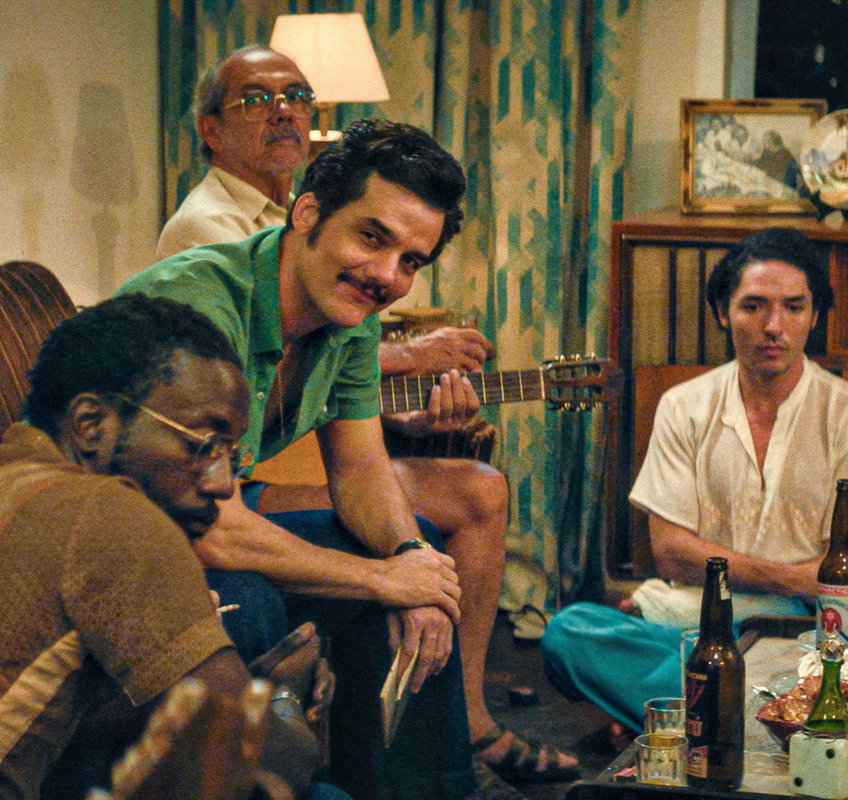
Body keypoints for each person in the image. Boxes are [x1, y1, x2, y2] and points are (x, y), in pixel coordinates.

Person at [155, 46, 573, 787]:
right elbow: (208, 524)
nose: (387, 276)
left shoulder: (348, 313)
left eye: (411, 261)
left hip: (212, 522)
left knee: (427, 572)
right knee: (261, 605)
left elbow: (360, 468)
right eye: (373, 238)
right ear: (308, 212)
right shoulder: (201, 301)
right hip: (130, 541)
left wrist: (412, 561)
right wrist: (384, 580)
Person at [540, 227, 848, 732]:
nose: (773, 326)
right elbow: (670, 552)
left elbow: (844, 575)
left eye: (794, 308)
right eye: (753, 307)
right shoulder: (684, 406)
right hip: (696, 624)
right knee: (570, 632)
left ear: (815, 316)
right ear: (722, 312)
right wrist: (793, 579)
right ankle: (751, 711)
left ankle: (687, 713)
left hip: (803, 632)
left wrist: (766, 589)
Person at [0, 294, 334, 799]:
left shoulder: (16, 475)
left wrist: (236, 687)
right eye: (203, 445)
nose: (223, 484)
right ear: (91, 426)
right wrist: (285, 696)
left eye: (231, 454)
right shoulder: (110, 513)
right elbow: (259, 763)